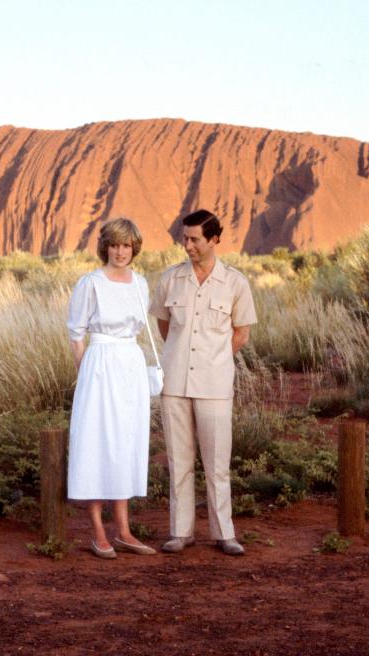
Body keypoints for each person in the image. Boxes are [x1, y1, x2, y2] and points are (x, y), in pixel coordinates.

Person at [149, 209, 257, 556]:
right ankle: (180, 532)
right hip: (175, 382)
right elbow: (164, 327)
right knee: (179, 461)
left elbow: (241, 332)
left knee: (216, 462)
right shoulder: (170, 280)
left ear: (214, 240)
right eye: (185, 239)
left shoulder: (236, 283)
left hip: (215, 384)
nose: (188, 245)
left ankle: (224, 534)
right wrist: (182, 355)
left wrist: (214, 357)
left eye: (195, 239)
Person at [66, 217, 157, 559]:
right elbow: (76, 333)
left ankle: (125, 531)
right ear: (106, 246)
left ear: (135, 248)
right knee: (96, 440)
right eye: (115, 245)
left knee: (125, 441)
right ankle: (98, 531)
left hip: (130, 363)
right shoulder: (90, 283)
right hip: (100, 364)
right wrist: (86, 372)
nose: (121, 252)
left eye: (127, 246)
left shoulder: (140, 283)